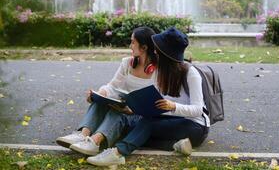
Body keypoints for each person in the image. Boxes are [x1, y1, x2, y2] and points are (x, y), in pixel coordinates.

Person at [86, 27, 210, 167]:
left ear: (166, 53)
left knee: (146, 125)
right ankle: (176, 145)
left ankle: (118, 154)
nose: (154, 51)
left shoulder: (190, 73)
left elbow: (198, 109)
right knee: (131, 127)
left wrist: (173, 106)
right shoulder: (161, 71)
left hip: (195, 126)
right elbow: (156, 104)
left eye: (158, 49)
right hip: (168, 120)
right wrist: (133, 110)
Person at [56, 26, 157, 156]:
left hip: (140, 117)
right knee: (106, 98)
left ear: (144, 48)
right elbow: (112, 86)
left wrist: (132, 110)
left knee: (120, 110)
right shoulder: (127, 63)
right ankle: (82, 135)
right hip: (125, 108)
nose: (130, 46)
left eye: (133, 42)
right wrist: (102, 92)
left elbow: (158, 104)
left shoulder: (159, 71)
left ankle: (95, 142)